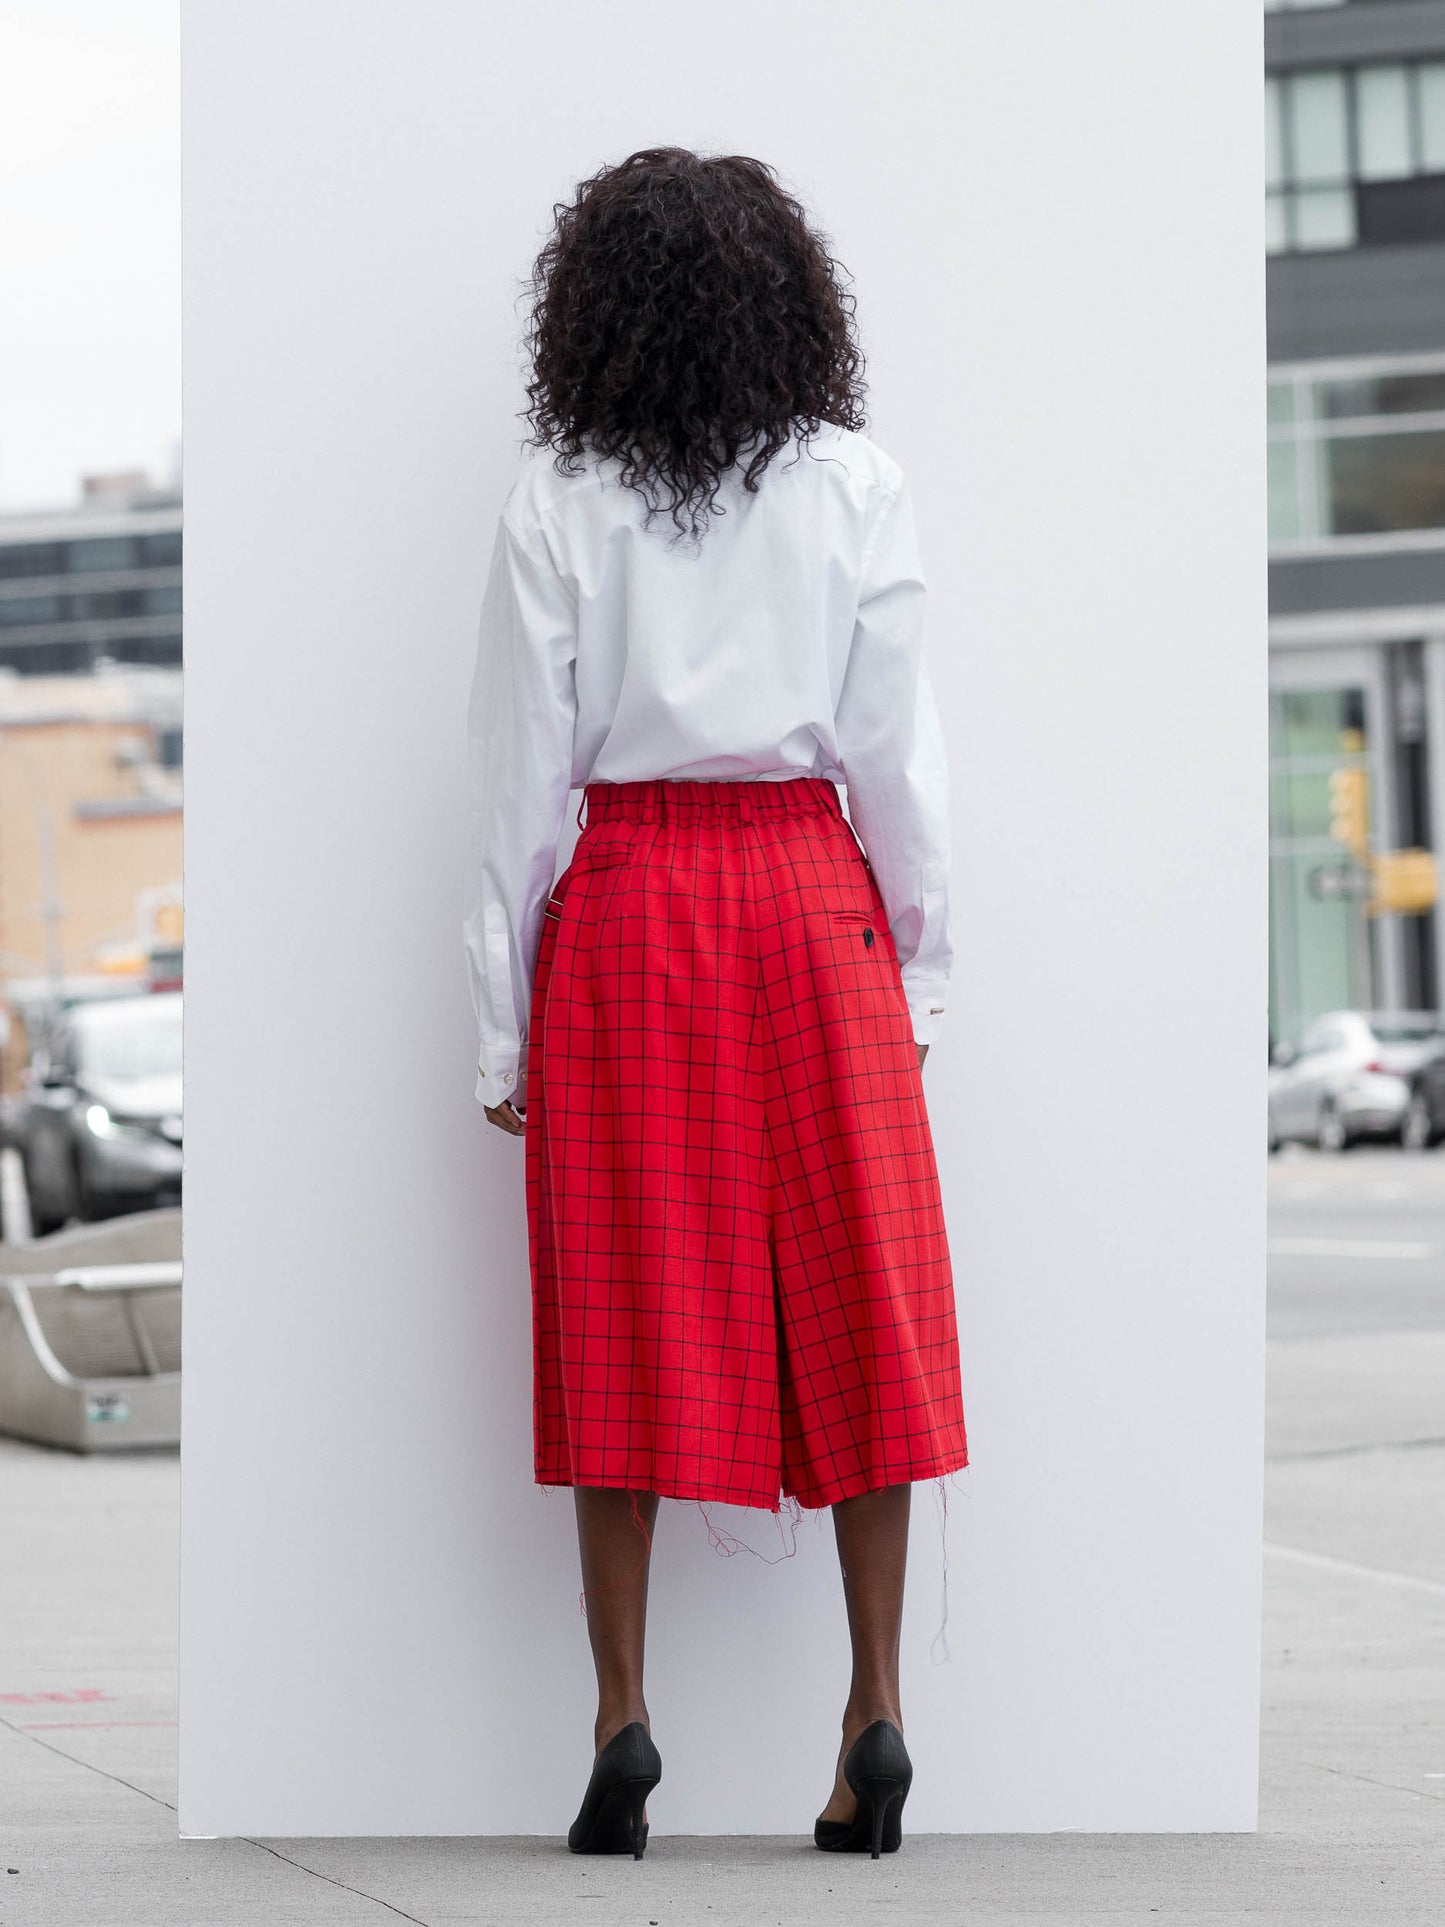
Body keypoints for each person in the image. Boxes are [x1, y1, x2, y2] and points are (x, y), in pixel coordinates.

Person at [463, 145, 967, 1860]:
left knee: (621, 1307)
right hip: (811, 896)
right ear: (786, 301)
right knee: (862, 1301)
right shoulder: (854, 484)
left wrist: (498, 1023)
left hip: (630, 908)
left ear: (594, 312)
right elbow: (895, 755)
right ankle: (874, 1708)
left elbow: (519, 790)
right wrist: (919, 966)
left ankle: (621, 1722)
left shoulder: (560, 498)